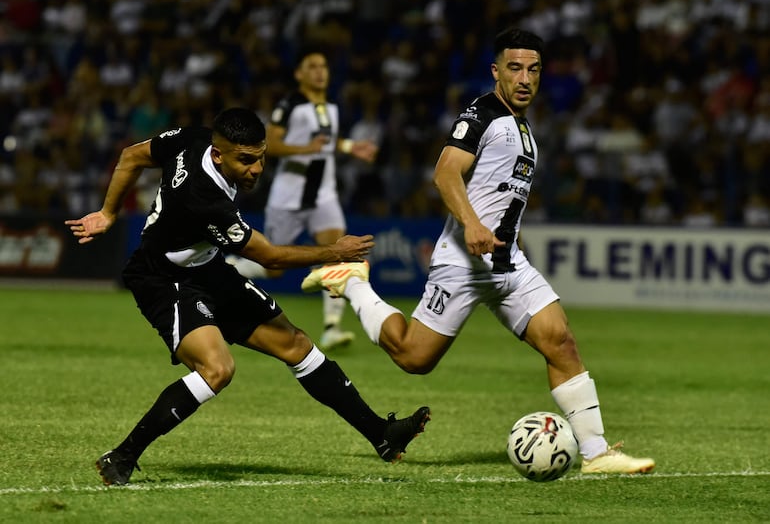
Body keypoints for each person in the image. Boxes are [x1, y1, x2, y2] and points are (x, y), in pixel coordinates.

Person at [301, 29, 655, 475]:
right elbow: (445, 173)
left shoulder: (524, 128)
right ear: (496, 72)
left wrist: (511, 246)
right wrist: (470, 224)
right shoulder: (481, 113)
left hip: (508, 263)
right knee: (414, 357)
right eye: (514, 68)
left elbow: (502, 200)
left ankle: (596, 453)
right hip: (463, 264)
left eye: (533, 69)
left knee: (561, 342)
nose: (524, 78)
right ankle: (352, 282)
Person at [65, 107, 429, 486]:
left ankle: (381, 436)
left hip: (206, 268)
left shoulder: (194, 138)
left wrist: (108, 213)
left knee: (296, 344)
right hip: (163, 278)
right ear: (219, 154)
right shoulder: (204, 197)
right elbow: (269, 256)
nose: (256, 169)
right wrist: (333, 253)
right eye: (246, 161)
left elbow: (132, 156)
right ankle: (122, 456)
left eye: (260, 157)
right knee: (216, 369)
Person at [227, 48, 378, 351]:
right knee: (274, 268)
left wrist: (349, 147)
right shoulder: (290, 105)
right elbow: (269, 144)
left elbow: (325, 140)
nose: (320, 71)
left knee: (339, 253)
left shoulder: (331, 106)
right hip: (289, 197)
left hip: (323, 195)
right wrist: (304, 150)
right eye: (312, 66)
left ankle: (332, 327)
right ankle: (228, 265)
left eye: (323, 66)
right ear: (299, 74)